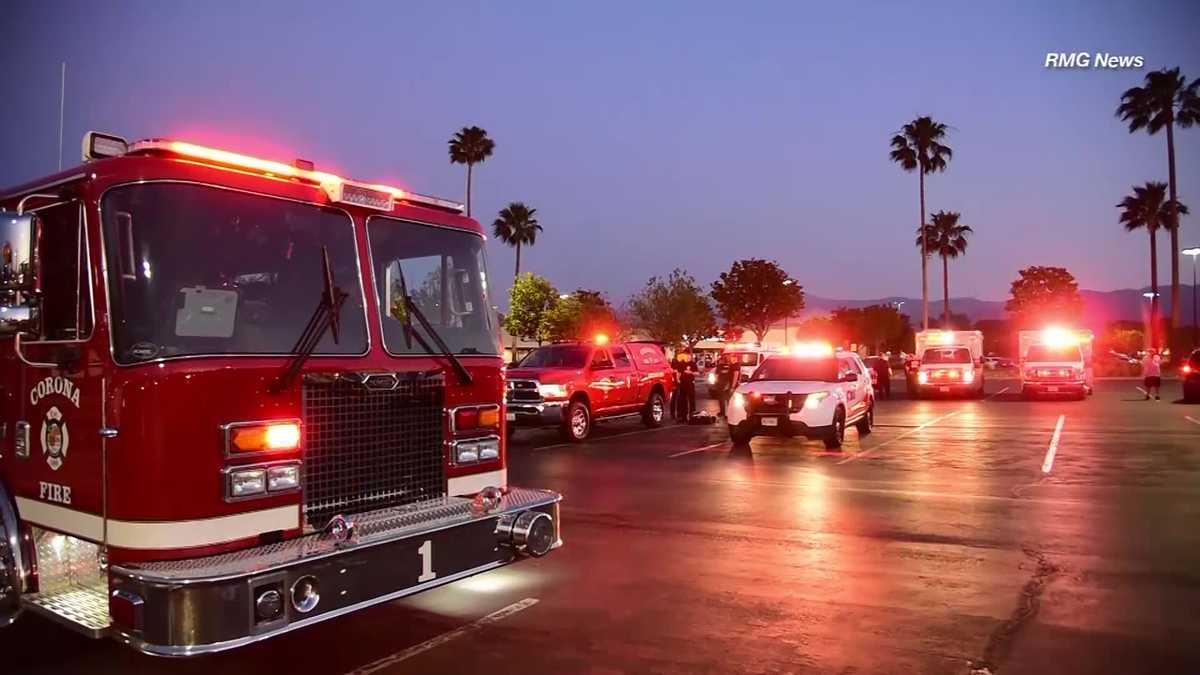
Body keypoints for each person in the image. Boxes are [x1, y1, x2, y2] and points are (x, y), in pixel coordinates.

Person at [672, 351, 699, 421]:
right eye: (686, 355)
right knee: (682, 399)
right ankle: (683, 415)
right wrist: (678, 380)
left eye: (688, 356)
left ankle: (692, 414)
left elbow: (697, 373)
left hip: (690, 383)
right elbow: (678, 372)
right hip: (683, 383)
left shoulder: (692, 364)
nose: (687, 357)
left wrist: (691, 372)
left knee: (691, 399)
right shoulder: (682, 363)